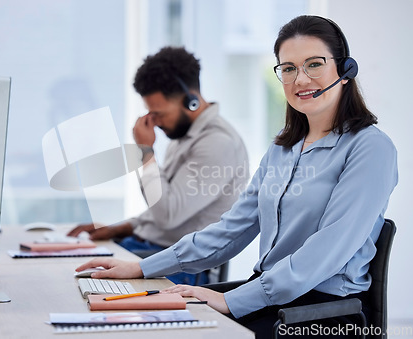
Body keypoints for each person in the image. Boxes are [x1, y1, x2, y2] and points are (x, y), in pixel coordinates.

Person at [75, 15, 398, 338]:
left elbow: (325, 253)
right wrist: (141, 268)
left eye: (314, 64)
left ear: (344, 70)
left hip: (327, 313)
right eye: (288, 68)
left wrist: (231, 300)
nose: (300, 80)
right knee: (155, 319)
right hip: (271, 296)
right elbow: (231, 230)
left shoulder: (370, 149)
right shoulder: (282, 149)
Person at [69, 46, 250, 285]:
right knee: (69, 266)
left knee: (77, 280)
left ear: (192, 101)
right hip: (149, 251)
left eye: (159, 113)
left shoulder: (217, 143)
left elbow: (168, 216)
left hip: (178, 266)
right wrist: (118, 229)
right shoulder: (184, 136)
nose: (154, 122)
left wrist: (146, 152)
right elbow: (162, 211)